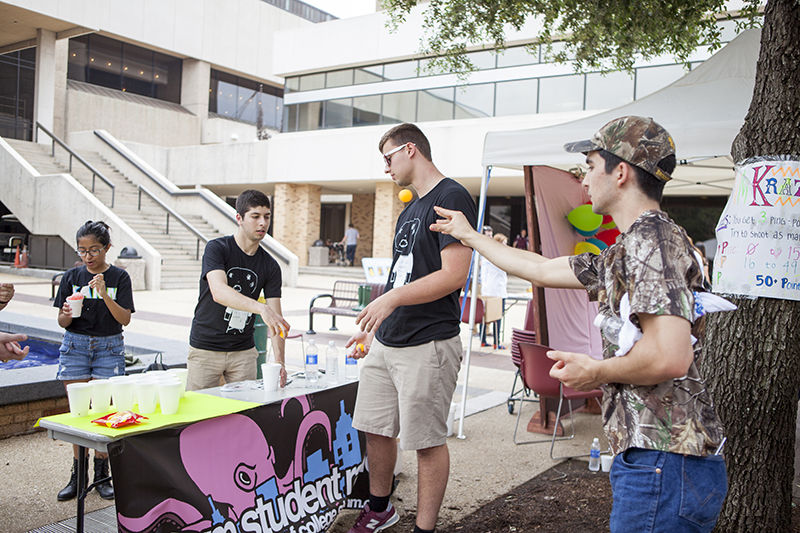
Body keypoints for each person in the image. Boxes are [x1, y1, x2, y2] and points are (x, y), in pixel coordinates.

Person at [431, 116, 727, 532]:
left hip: (664, 460)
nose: (583, 180)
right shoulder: (633, 245)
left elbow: (668, 356)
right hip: (661, 461)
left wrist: (595, 371)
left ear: (620, 171)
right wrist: (471, 236)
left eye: (589, 165)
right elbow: (543, 269)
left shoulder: (651, 241)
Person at [345, 123, 477, 533]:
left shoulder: (451, 196)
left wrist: (391, 299)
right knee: (375, 427)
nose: (386, 168)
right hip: (387, 340)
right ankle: (380, 508)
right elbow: (403, 278)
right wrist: (374, 323)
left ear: (410, 149)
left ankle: (424, 528)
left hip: (429, 342)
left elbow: (454, 275)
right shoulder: (408, 210)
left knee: (426, 441)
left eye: (388, 158)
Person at [54, 220, 135, 501]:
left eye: (94, 250)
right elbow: (62, 321)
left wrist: (103, 294)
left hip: (109, 348)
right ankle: (78, 476)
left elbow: (124, 318)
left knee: (104, 412)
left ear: (107, 248)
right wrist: (66, 312)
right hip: (75, 345)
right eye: (83, 250)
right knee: (79, 412)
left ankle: (102, 475)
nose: (88, 256)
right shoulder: (71, 277)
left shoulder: (119, 278)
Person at [187, 189, 290, 392]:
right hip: (205, 349)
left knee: (243, 415)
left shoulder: (270, 265)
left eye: (267, 217)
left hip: (243, 353)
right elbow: (219, 292)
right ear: (239, 218)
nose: (263, 223)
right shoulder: (217, 248)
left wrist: (280, 362)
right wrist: (261, 308)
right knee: (199, 416)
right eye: (255, 216)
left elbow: (276, 319)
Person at [479, 233, 508, 349]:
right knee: (497, 317)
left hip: (487, 290)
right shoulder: (500, 256)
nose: (506, 246)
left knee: (484, 317)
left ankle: (483, 339)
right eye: (505, 243)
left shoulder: (486, 255)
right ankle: (497, 342)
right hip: (497, 291)